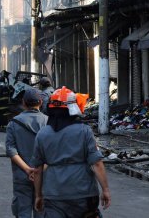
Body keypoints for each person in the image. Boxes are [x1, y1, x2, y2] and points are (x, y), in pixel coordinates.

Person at [31, 86, 111, 218]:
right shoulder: (84, 131)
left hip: (54, 195)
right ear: (72, 109)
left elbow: (37, 169)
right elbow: (96, 164)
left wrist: (38, 195)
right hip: (83, 194)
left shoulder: (42, 134)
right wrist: (106, 190)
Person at [5, 88, 48, 218]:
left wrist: (28, 170)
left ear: (23, 103)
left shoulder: (13, 123)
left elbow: (11, 150)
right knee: (41, 209)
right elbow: (52, 152)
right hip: (44, 176)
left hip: (21, 175)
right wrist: (38, 171)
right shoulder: (49, 122)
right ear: (40, 102)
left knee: (22, 210)